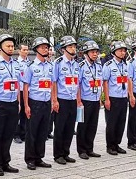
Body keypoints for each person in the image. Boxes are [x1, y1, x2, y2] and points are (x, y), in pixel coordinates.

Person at [0, 33, 23, 176]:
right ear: (0, 47)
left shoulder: (16, 64)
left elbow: (18, 84)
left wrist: (18, 102)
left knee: (8, 134)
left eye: (12, 46)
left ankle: (6, 162)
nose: (11, 48)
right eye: (8, 45)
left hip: (13, 103)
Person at [23, 37, 53, 170]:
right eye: (42, 47)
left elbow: (52, 85)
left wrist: (53, 101)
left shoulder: (50, 66)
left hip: (46, 102)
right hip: (34, 102)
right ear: (36, 50)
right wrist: (26, 105)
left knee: (43, 131)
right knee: (32, 131)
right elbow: (25, 86)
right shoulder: (30, 67)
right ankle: (30, 159)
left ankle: (39, 157)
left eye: (46, 47)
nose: (45, 49)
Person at [51, 35, 79, 165]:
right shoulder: (58, 63)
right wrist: (55, 100)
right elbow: (54, 82)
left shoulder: (76, 64)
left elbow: (78, 83)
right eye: (70, 46)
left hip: (72, 99)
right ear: (63, 49)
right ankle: (58, 155)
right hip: (62, 99)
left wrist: (78, 100)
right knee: (60, 128)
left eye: (74, 46)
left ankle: (66, 152)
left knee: (70, 128)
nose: (73, 49)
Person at [76, 40, 102, 160]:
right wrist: (79, 100)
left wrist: (100, 98)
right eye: (92, 52)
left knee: (93, 125)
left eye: (96, 52)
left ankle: (89, 148)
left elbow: (99, 83)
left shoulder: (98, 66)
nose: (95, 54)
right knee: (83, 126)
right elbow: (78, 84)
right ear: (86, 53)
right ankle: (81, 150)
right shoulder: (81, 66)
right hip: (84, 100)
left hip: (95, 100)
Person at [102, 41, 129, 156]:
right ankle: (110, 146)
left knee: (121, 123)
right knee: (112, 123)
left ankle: (117, 144)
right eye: (120, 50)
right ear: (114, 52)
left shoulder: (125, 65)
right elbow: (105, 82)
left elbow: (128, 80)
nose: (123, 53)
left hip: (123, 97)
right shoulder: (108, 65)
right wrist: (106, 99)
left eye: (124, 51)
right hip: (113, 98)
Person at [13, 43, 30, 144]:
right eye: (24, 50)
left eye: (27, 50)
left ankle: (24, 133)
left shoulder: (29, 63)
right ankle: (16, 134)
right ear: (19, 51)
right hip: (18, 90)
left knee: (25, 112)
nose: (26, 52)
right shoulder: (16, 63)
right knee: (18, 113)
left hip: (27, 91)